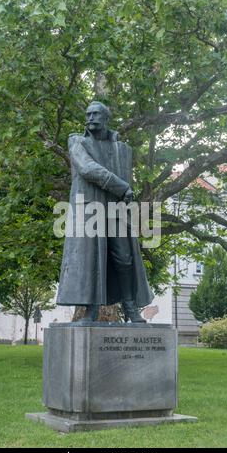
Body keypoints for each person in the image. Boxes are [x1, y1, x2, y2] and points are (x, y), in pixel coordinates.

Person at [56, 101, 154, 322]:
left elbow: (126, 173)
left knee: (125, 258)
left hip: (115, 210)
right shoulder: (77, 141)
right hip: (89, 209)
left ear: (106, 118)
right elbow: (87, 168)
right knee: (90, 259)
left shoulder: (120, 148)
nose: (90, 118)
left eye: (95, 114)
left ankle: (130, 307)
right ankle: (90, 310)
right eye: (88, 114)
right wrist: (121, 187)